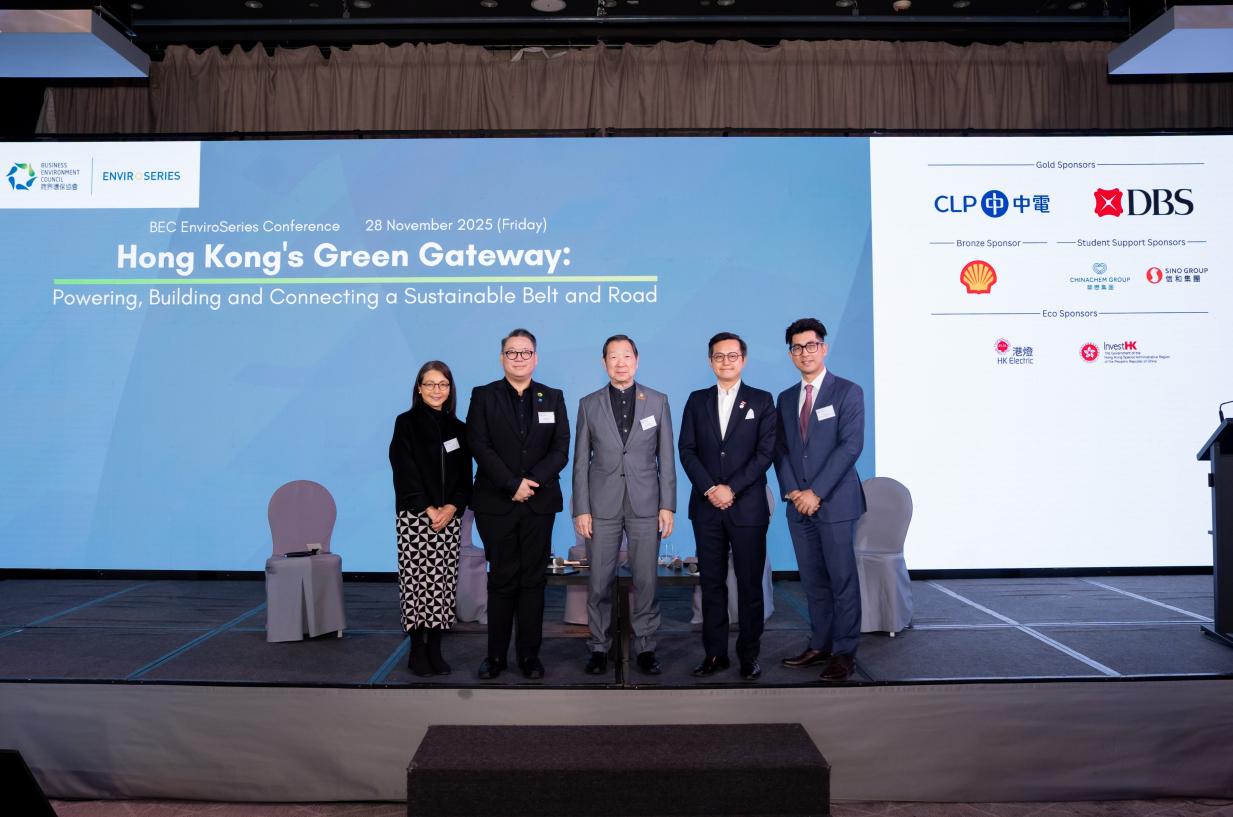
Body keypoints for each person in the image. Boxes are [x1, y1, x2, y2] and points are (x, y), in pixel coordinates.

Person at [466, 329, 570, 680]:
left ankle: (529, 657)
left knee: (533, 580)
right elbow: (478, 444)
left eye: (526, 352)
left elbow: (560, 448)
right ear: (502, 358)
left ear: (535, 358)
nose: (519, 358)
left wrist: (531, 482)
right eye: (512, 352)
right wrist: (512, 484)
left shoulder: (552, 397)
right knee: (502, 578)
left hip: (539, 503)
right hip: (497, 503)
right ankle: (495, 657)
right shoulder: (484, 396)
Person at [572, 334, 676, 676]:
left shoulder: (658, 401)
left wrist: (668, 505)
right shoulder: (589, 404)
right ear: (604, 363)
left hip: (647, 504)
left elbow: (666, 458)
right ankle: (598, 647)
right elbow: (580, 462)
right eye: (613, 357)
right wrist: (581, 508)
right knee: (599, 582)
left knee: (646, 580)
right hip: (601, 506)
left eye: (626, 356)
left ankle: (645, 646)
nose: (620, 362)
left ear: (637, 360)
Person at [678, 332, 778, 681]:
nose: (726, 362)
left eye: (732, 356)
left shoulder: (762, 401)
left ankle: (749, 655)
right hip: (706, 508)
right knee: (712, 584)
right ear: (710, 362)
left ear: (743, 360)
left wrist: (731, 488)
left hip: (747, 507)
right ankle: (715, 654)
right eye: (719, 356)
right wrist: (710, 488)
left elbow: (765, 453)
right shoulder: (697, 400)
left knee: (750, 585)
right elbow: (687, 450)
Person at [774, 317, 866, 682]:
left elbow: (850, 447)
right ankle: (821, 644)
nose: (805, 353)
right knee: (812, 582)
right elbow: (780, 450)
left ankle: (844, 652)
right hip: (798, 506)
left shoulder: (848, 392)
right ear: (790, 354)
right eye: (797, 348)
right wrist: (793, 491)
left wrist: (817, 492)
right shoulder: (785, 399)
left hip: (836, 504)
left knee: (842, 580)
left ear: (823, 348)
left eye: (811, 345)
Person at [389, 361, 473, 677]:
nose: (437, 390)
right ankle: (417, 649)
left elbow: (465, 476)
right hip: (415, 516)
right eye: (430, 383)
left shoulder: (460, 429)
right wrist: (428, 508)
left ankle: (435, 648)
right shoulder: (406, 423)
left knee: (442, 584)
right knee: (416, 583)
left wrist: (452, 507)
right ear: (419, 388)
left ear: (450, 389)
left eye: (443, 384)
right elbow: (404, 468)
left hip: (449, 518)